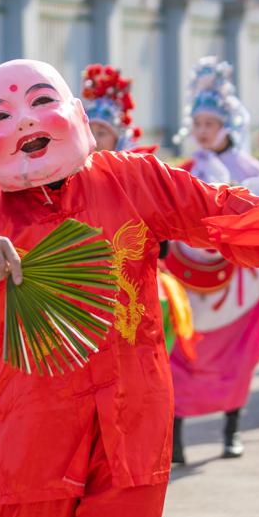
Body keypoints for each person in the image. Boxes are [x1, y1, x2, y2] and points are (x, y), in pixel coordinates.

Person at [0, 58, 259, 517]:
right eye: (1, 115)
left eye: (42, 101)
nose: (24, 120)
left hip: (131, 416)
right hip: (32, 425)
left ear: (77, 114)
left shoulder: (133, 180)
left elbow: (210, 208)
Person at [165, 57, 259, 462]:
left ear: (227, 126)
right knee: (181, 357)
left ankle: (232, 432)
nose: (202, 132)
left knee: (239, 359)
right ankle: (177, 440)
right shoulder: (183, 170)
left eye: (210, 124)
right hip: (191, 281)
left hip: (239, 281)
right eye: (197, 124)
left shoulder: (252, 170)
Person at [80, 63, 195, 358]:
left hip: (134, 293)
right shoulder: (67, 177)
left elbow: (164, 246)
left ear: (119, 138)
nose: (93, 138)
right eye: (88, 130)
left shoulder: (139, 178)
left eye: (102, 131)